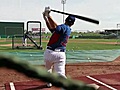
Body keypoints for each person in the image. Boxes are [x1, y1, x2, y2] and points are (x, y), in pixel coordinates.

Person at [43, 7, 75, 88]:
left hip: (49, 52)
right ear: (72, 23)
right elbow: (51, 28)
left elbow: (56, 27)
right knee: (60, 74)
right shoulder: (68, 30)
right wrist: (46, 17)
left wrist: (48, 16)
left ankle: (49, 82)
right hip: (60, 54)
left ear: (66, 20)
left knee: (48, 70)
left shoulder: (63, 27)